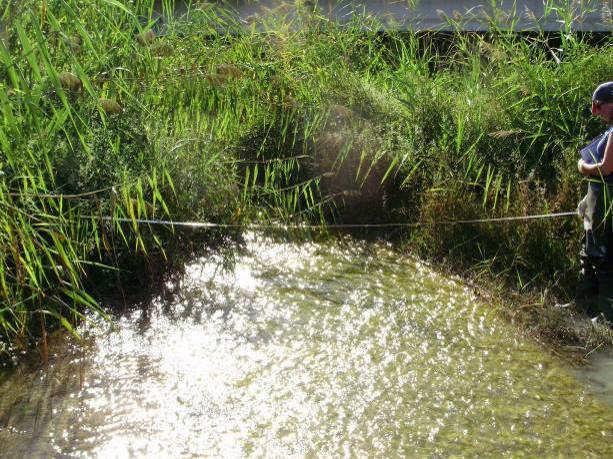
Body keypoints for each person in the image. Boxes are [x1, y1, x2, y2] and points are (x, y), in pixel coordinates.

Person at [576, 81, 613, 322]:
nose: (594, 112)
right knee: (588, 254)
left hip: (607, 209)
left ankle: (606, 318)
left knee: (603, 259)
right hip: (596, 207)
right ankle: (582, 307)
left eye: (598, 106)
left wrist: (582, 167)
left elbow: (606, 168)